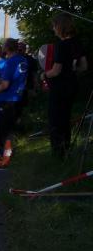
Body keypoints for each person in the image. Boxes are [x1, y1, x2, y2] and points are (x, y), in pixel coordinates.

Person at [45, 14, 86, 158]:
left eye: (54, 26)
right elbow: (84, 66)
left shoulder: (61, 45)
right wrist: (71, 70)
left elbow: (56, 71)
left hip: (60, 88)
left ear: (60, 27)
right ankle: (66, 149)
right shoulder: (77, 43)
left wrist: (44, 75)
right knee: (65, 119)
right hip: (73, 85)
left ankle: (58, 154)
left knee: (56, 120)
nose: (53, 29)